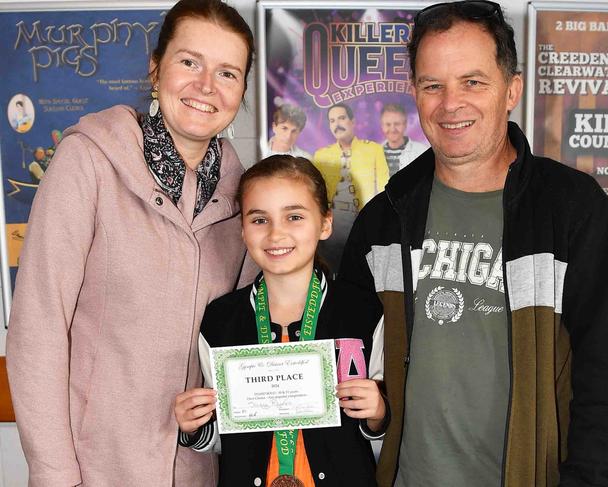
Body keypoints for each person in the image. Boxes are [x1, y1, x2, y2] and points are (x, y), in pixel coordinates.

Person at [338, 1, 608, 486]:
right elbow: (348, 353)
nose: (450, 103)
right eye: (432, 85)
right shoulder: (384, 218)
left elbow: (606, 374)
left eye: (472, 82)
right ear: (415, 93)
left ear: (511, 90)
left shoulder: (572, 209)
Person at [6, 1, 255, 485]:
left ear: (242, 89)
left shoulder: (244, 199)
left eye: (227, 73)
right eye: (189, 62)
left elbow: (242, 342)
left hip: (198, 472)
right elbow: (39, 326)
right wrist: (56, 474)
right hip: (96, 471)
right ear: (155, 68)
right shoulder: (89, 163)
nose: (206, 86)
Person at [174, 155, 387, 486]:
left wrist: (378, 413)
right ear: (242, 229)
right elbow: (223, 438)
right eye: (260, 220)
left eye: (294, 217)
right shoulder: (221, 321)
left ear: (325, 223)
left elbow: (385, 437)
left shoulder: (363, 311)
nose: (276, 234)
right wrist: (196, 425)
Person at [313, 103, 388, 270]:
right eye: (332, 120)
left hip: (364, 221)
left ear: (352, 121)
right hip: (332, 225)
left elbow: (384, 189)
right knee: (331, 271)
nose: (337, 124)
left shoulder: (373, 150)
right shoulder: (321, 154)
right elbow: (314, 195)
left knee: (361, 272)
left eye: (341, 118)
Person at [379, 103, 428, 177]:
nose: (392, 129)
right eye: (388, 124)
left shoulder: (422, 152)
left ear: (405, 124)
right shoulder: (374, 153)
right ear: (382, 126)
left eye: (397, 124)